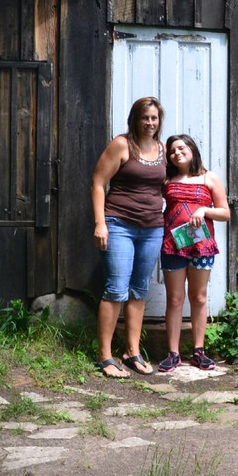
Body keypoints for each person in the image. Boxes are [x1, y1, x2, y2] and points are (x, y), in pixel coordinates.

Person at [90, 96, 167, 377]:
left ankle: (131, 351)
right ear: (135, 119)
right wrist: (101, 224)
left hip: (152, 228)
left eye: (154, 118)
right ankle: (105, 356)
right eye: (145, 117)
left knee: (138, 290)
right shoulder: (122, 144)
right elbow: (99, 183)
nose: (150, 123)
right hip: (119, 225)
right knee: (116, 289)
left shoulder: (163, 149)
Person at [157, 134, 230, 372]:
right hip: (173, 244)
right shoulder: (167, 180)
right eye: (172, 151)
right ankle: (173, 353)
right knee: (175, 299)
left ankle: (199, 351)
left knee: (198, 298)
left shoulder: (210, 177)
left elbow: (225, 212)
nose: (176, 153)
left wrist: (204, 210)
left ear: (191, 148)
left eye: (181, 147)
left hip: (201, 246)